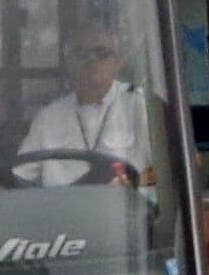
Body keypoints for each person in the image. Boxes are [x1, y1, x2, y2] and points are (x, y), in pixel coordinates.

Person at [18, 23, 153, 187]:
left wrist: (135, 181)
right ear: (68, 63)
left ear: (118, 62)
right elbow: (20, 176)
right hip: (65, 203)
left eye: (102, 54)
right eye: (81, 54)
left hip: (124, 201)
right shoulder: (48, 118)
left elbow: (168, 170)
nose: (92, 61)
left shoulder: (141, 106)